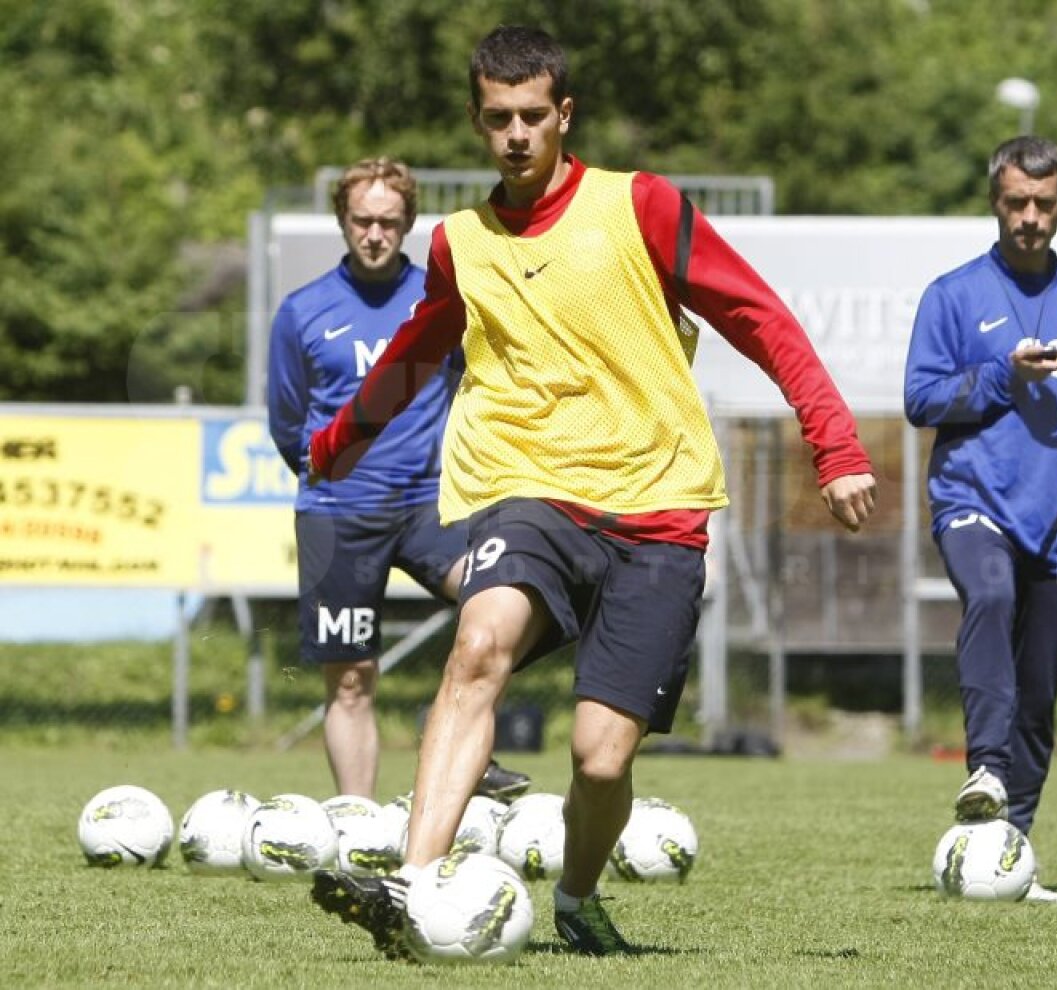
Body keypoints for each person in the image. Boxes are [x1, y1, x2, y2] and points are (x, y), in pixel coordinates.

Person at [305, 26, 876, 958]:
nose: (518, 134)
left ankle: (575, 895)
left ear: (564, 114)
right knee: (478, 644)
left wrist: (835, 443)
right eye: (499, 119)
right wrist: (338, 444)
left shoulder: (639, 206)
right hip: (530, 491)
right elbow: (416, 351)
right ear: (477, 121)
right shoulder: (459, 244)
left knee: (600, 757)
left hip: (658, 508)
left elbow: (758, 316)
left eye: (535, 115)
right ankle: (411, 887)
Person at [904, 135, 1057, 903]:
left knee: (1039, 697)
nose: (1029, 217)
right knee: (991, 597)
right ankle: (987, 769)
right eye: (1015, 202)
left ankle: (1009, 852)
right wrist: (1002, 374)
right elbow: (921, 399)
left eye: (1044, 203)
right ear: (994, 202)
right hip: (972, 502)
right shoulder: (953, 295)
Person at [267, 156, 530, 803]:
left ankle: (470, 750)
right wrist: (331, 479)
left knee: (498, 612)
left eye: (389, 221)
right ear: (343, 221)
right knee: (351, 680)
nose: (375, 234)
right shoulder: (302, 312)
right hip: (338, 515)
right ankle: (358, 822)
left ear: (408, 223)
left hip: (429, 507)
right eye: (363, 221)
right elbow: (286, 421)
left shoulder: (444, 302)